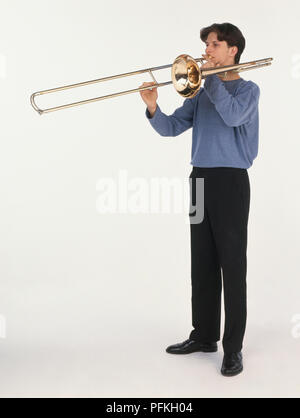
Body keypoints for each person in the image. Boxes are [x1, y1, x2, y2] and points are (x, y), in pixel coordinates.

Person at [139, 22, 260, 377]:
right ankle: (204, 335)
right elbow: (171, 127)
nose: (207, 51)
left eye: (214, 44)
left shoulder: (249, 90)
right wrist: (152, 107)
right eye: (206, 44)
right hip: (200, 180)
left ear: (232, 50)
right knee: (202, 262)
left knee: (232, 267)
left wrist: (211, 81)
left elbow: (233, 115)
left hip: (231, 181)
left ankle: (232, 348)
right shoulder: (201, 92)